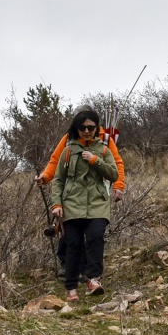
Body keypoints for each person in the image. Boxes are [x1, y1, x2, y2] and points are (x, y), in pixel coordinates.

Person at [47, 109, 121, 300]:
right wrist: (56, 204)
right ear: (76, 129)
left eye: (91, 127)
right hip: (72, 204)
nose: (87, 131)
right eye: (82, 127)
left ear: (97, 128)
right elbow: (58, 179)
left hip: (98, 202)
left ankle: (94, 279)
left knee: (96, 237)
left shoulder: (104, 148)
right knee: (74, 244)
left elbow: (114, 173)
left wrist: (95, 160)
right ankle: (71, 288)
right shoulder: (68, 150)